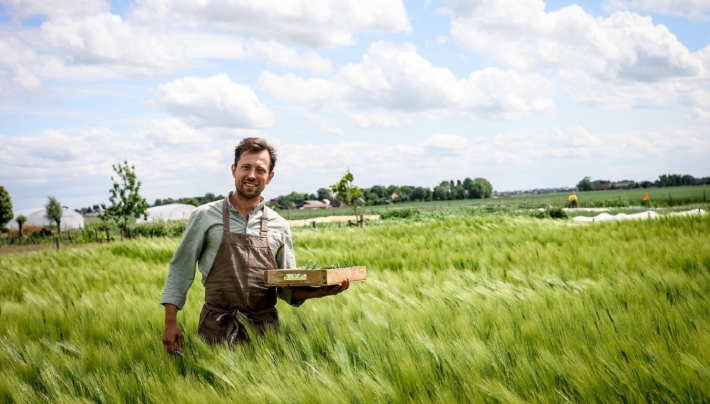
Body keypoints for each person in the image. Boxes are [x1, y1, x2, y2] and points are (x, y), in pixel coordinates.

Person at [161, 137, 350, 354]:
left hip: (265, 336)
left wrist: (320, 292)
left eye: (260, 170)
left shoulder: (280, 225)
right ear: (234, 170)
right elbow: (180, 269)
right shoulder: (204, 215)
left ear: (270, 176)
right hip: (215, 332)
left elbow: (287, 287)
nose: (252, 175)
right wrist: (170, 322)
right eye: (246, 167)